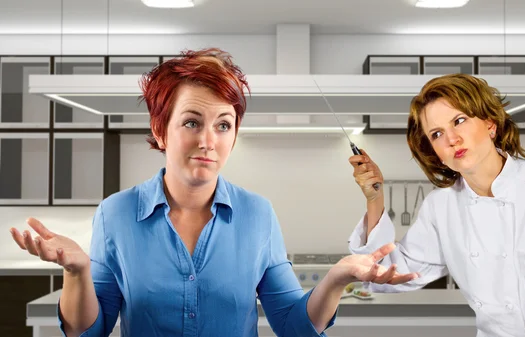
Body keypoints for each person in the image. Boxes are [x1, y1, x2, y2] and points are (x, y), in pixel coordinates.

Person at [9, 48, 418, 337]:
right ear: (159, 130)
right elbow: (88, 330)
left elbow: (294, 326)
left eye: (223, 125)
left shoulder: (256, 214)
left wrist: (338, 278)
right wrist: (77, 272)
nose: (208, 140)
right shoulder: (116, 214)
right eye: (191, 122)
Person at [347, 73, 525, 337]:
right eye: (437, 134)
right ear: (436, 153)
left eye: (459, 121)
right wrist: (375, 198)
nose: (452, 139)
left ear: (490, 124)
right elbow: (389, 273)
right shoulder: (441, 206)